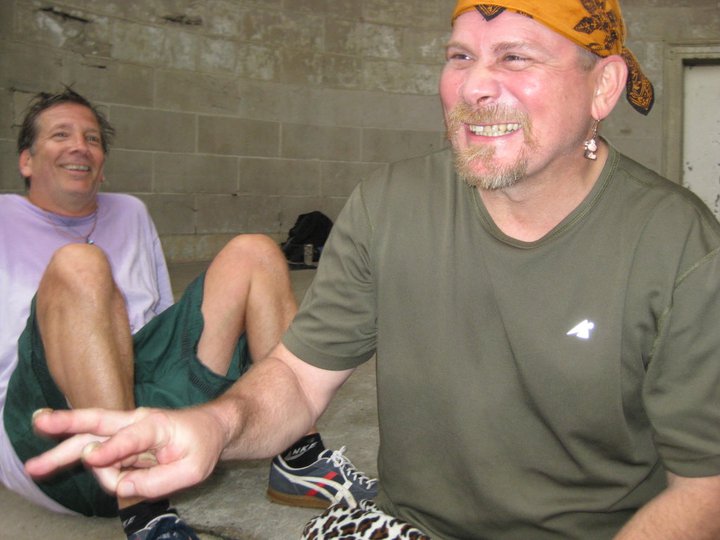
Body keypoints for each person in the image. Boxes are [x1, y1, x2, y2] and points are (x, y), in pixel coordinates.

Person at [24, 1, 720, 538]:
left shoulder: (677, 244)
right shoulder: (391, 202)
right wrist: (215, 426)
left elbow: (706, 487)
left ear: (603, 86)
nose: (475, 86)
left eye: (515, 57)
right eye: (459, 56)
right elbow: (298, 378)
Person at [0, 88, 375, 540]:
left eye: (92, 138)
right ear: (26, 160)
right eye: (61, 135)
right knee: (80, 263)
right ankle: (142, 509)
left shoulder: (130, 213)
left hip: (140, 395)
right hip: (50, 421)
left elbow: (161, 317)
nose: (80, 146)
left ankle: (300, 457)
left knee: (256, 252)